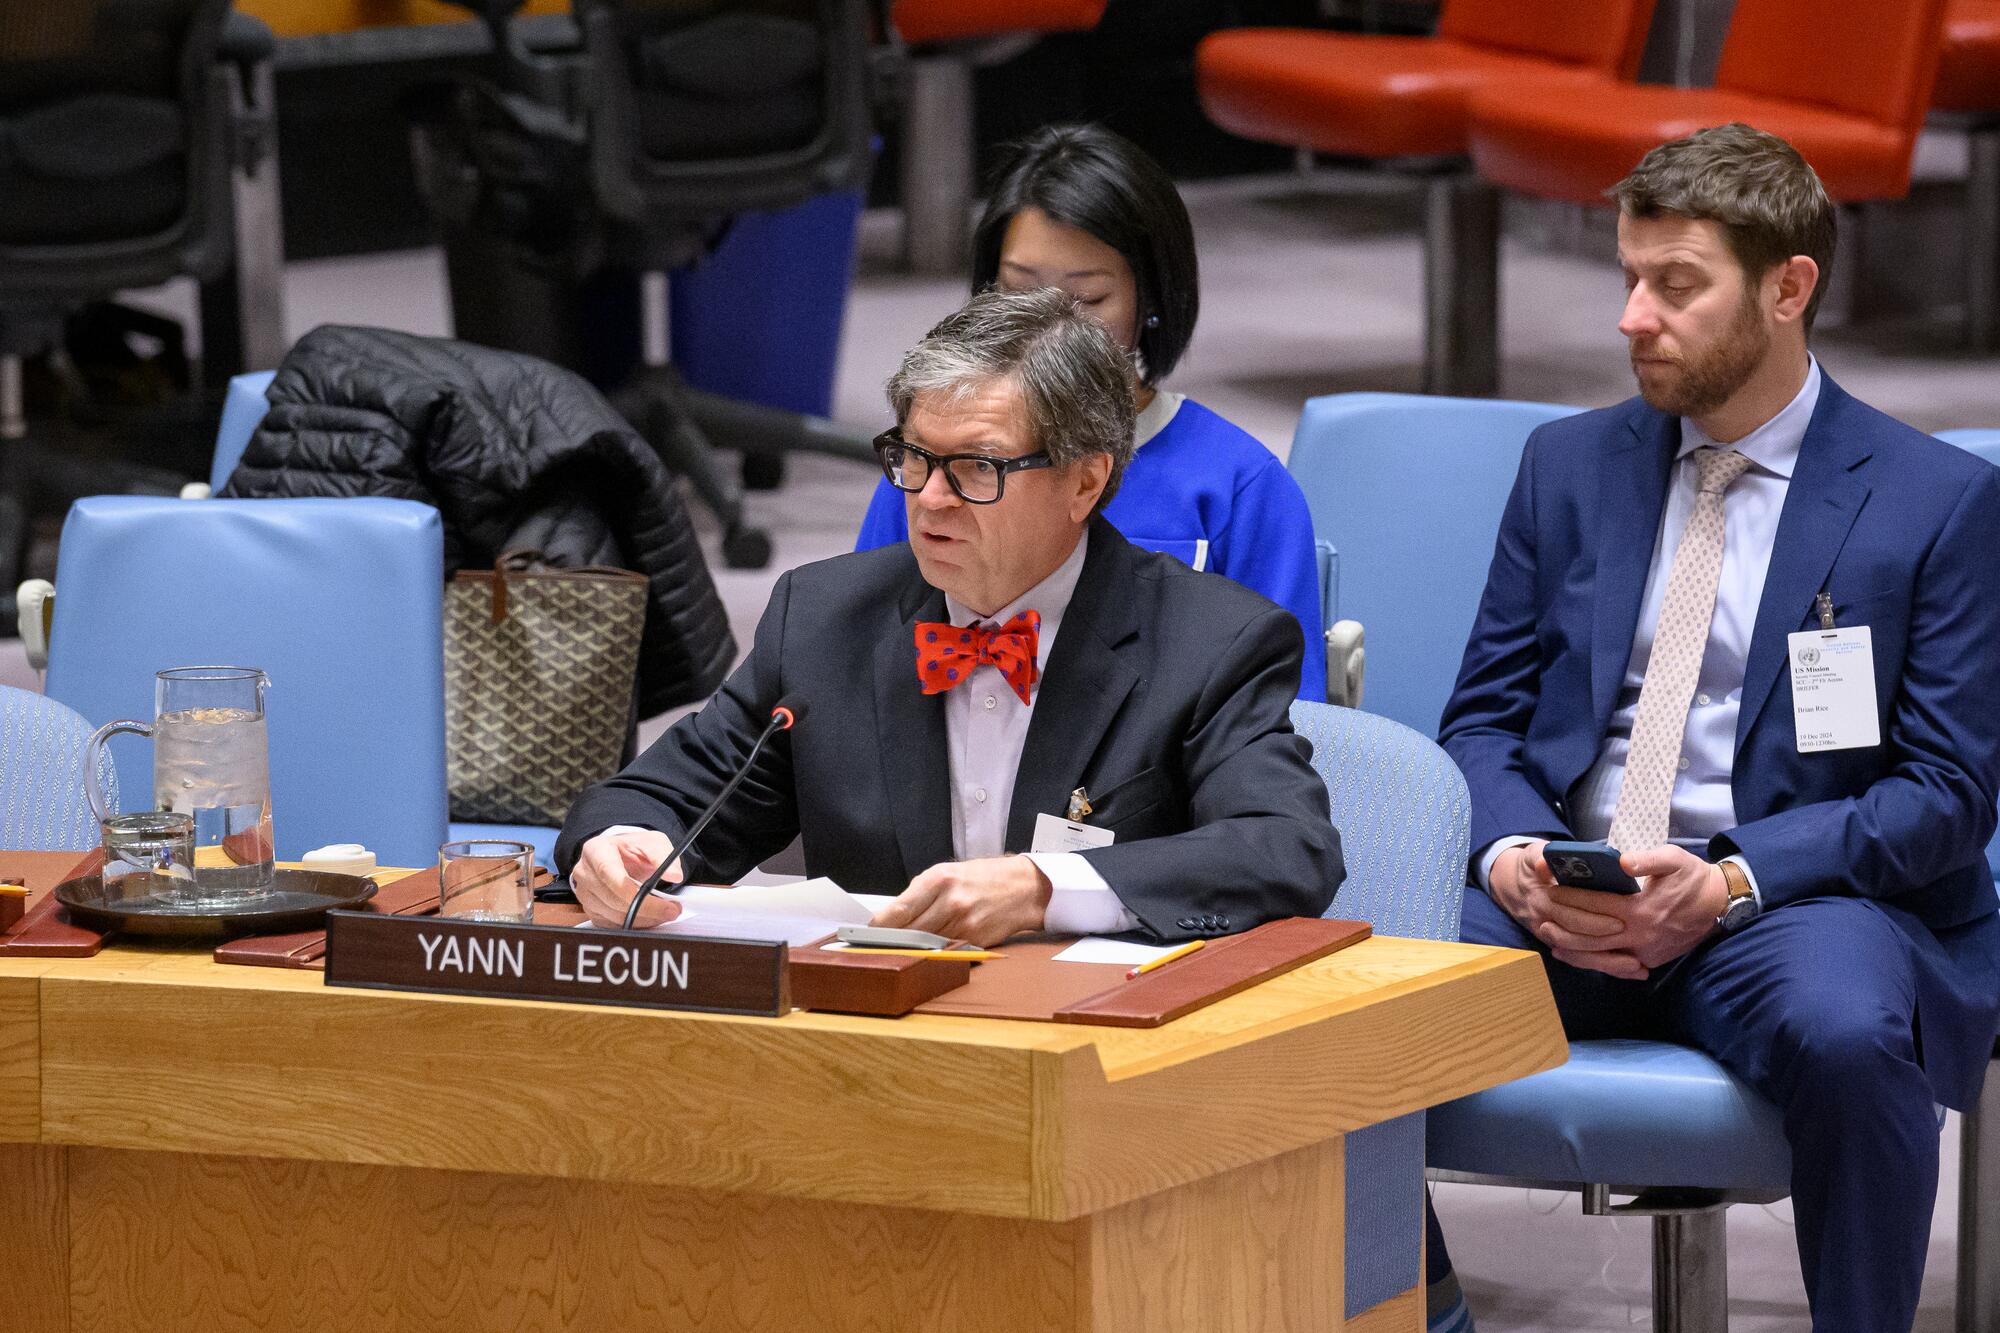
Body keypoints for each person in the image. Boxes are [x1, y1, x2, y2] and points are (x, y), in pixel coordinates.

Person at [1430, 123, 2000, 1333]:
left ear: (1788, 288)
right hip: (1561, 890)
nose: (1632, 316)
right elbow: (1479, 720)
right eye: (1626, 278)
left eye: (1674, 285)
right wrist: (1515, 861)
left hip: (1783, 901)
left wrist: (1731, 881)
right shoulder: (1565, 466)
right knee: (1332, 999)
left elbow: (1946, 794)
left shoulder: (1933, 500)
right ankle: (1418, 1314)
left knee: (1850, 1037)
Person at [558, 286, 1343, 945]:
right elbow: (661, 797)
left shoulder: (1209, 641)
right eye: (914, 457)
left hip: (1106, 1057)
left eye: (976, 467)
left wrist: (1047, 887)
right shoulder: (823, 620)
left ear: (1085, 482)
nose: (928, 498)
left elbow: (1285, 846)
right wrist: (618, 843)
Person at [853, 123, 1328, 701]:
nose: (1048, 326)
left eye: (1087, 300)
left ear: (1151, 298)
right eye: (1018, 292)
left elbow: (1285, 720)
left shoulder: (1241, 489)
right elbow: (861, 662)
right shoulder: (930, 471)